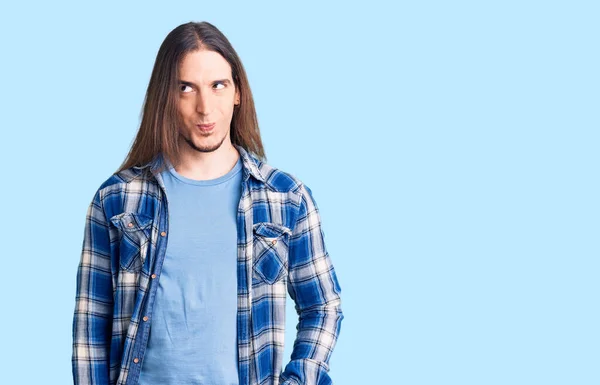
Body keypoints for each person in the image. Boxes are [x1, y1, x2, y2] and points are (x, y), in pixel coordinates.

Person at [71, 21, 343, 385]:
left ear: (237, 93)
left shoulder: (286, 198)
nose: (205, 108)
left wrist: (300, 378)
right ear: (166, 95)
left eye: (218, 86)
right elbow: (91, 322)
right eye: (187, 88)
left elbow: (323, 305)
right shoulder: (117, 199)